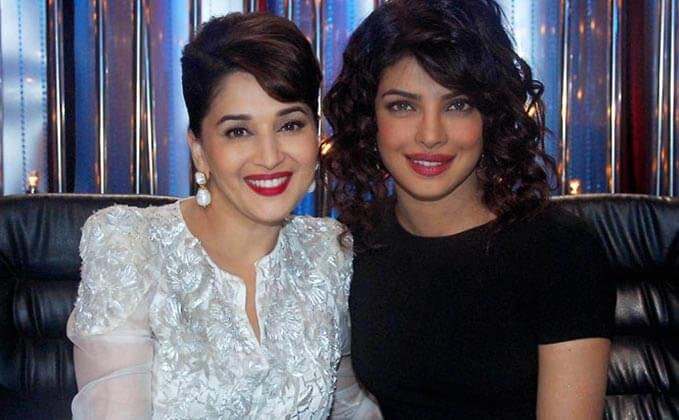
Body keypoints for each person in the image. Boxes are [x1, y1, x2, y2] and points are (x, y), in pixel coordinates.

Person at [67, 13, 377, 419]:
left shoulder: (330, 253)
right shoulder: (130, 245)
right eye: (238, 131)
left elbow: (351, 406)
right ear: (199, 148)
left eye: (289, 125)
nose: (270, 157)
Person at [322, 0, 615, 418]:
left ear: (490, 116)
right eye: (403, 105)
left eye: (457, 104)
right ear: (370, 119)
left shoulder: (561, 250)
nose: (431, 135)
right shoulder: (357, 246)